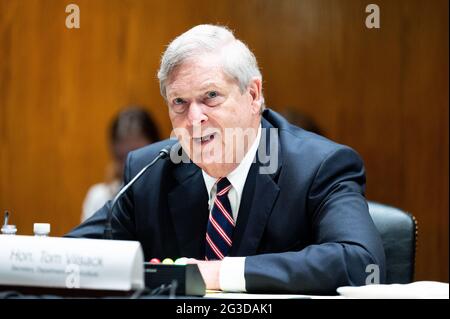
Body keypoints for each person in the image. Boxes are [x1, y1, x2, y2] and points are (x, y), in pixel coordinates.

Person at [67, 25, 385, 294]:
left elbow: (361, 262)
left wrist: (220, 274)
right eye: (179, 102)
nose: (194, 119)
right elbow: (75, 258)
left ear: (253, 94)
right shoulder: (151, 170)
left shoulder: (318, 166)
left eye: (211, 97)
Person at [81, 107, 160, 222]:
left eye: (137, 157)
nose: (128, 167)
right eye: (121, 158)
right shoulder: (99, 197)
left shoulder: (171, 196)